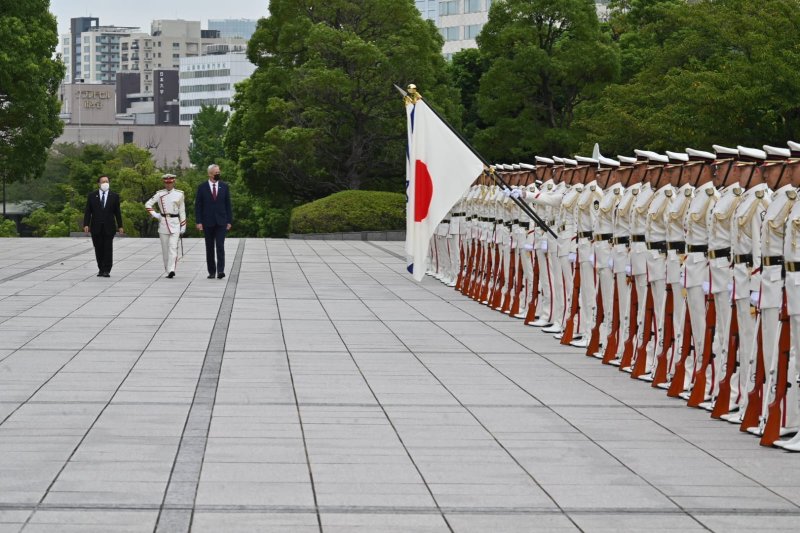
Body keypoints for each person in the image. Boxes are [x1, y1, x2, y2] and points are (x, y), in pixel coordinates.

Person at [145, 173, 187, 278]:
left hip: (175, 223)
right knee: (165, 250)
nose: (168, 185)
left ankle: (172, 269)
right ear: (164, 183)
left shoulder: (179, 194)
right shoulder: (159, 194)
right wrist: (156, 215)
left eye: (170, 183)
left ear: (174, 182)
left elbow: (182, 211)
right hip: (163, 223)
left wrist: (183, 226)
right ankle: (168, 270)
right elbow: (148, 204)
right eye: (166, 183)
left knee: (173, 247)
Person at [195, 163, 232, 279]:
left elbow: (228, 205)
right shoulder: (202, 187)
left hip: (221, 221)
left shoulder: (224, 186)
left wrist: (229, 221)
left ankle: (221, 270)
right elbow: (198, 206)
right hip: (207, 222)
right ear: (210, 174)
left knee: (220, 245)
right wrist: (199, 222)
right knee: (209, 247)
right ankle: (211, 271)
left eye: (219, 172)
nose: (218, 174)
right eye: (216, 173)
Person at [83, 176, 123, 277]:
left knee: (108, 248)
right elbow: (88, 211)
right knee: (98, 248)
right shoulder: (92, 196)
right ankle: (101, 268)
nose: (105, 183)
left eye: (107, 181)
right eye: (103, 181)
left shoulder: (114, 196)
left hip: (109, 227)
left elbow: (117, 212)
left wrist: (120, 226)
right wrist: (86, 224)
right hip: (96, 227)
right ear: (99, 183)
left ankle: (107, 269)